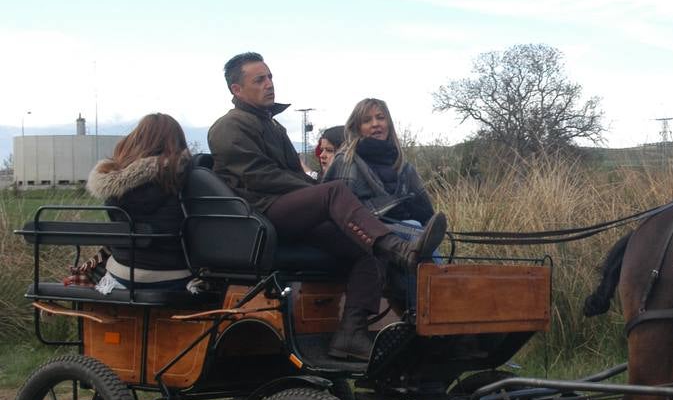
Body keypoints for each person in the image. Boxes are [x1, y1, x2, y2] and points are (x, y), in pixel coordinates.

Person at [208, 52, 446, 359]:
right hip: (259, 212)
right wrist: (316, 190)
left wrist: (315, 192)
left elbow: (290, 174)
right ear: (237, 90)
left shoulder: (272, 126)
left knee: (366, 248)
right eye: (259, 80)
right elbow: (258, 176)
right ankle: (399, 249)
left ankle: (350, 334)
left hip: (284, 208)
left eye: (270, 77)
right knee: (333, 193)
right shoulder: (229, 126)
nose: (269, 84)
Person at [85, 113, 193, 290]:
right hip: (172, 274)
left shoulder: (114, 183)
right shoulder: (186, 176)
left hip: (120, 274)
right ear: (176, 141)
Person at [323, 99, 435, 225]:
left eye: (380, 118)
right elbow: (338, 212)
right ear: (358, 128)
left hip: (411, 230)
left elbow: (427, 213)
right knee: (413, 226)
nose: (375, 124)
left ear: (388, 124)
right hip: (366, 234)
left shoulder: (404, 167)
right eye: (367, 120)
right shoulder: (346, 161)